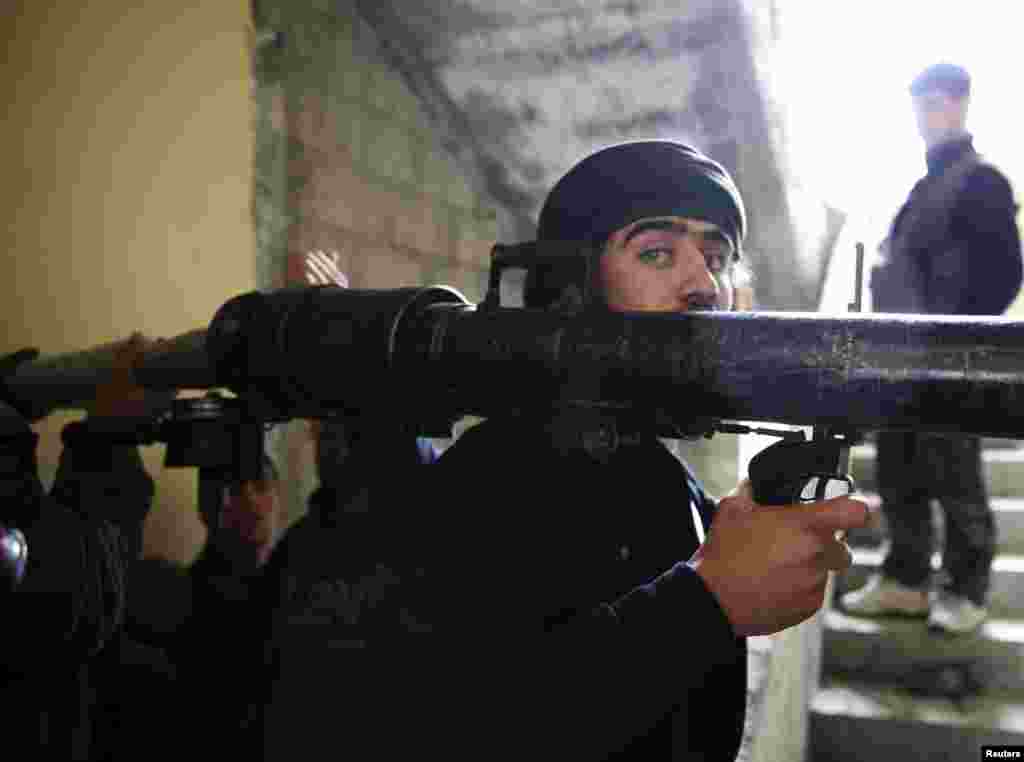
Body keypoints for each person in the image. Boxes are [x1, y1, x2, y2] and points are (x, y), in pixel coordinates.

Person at [311, 139, 868, 762]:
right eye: (657, 253)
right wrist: (706, 603)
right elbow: (457, 722)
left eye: (717, 258)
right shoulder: (493, 481)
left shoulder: (663, 480)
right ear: (575, 288)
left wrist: (743, 532)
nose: (705, 285)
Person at [842, 63, 1023, 635]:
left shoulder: (982, 181)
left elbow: (1005, 273)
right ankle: (906, 581)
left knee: (955, 474)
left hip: (948, 359)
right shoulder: (921, 190)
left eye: (936, 103)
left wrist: (960, 341)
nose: (925, 116)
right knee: (899, 469)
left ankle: (967, 590)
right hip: (900, 359)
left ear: (961, 103)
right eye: (919, 104)